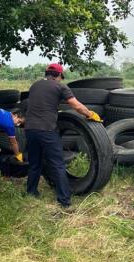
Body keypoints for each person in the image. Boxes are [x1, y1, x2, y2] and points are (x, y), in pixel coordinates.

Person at [25, 63, 101, 208]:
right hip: (46, 130)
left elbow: (41, 104)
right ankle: (64, 201)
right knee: (58, 164)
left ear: (47, 73)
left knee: (35, 163)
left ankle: (31, 191)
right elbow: (76, 106)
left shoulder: (35, 85)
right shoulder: (60, 87)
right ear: (59, 75)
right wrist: (90, 114)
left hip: (30, 129)